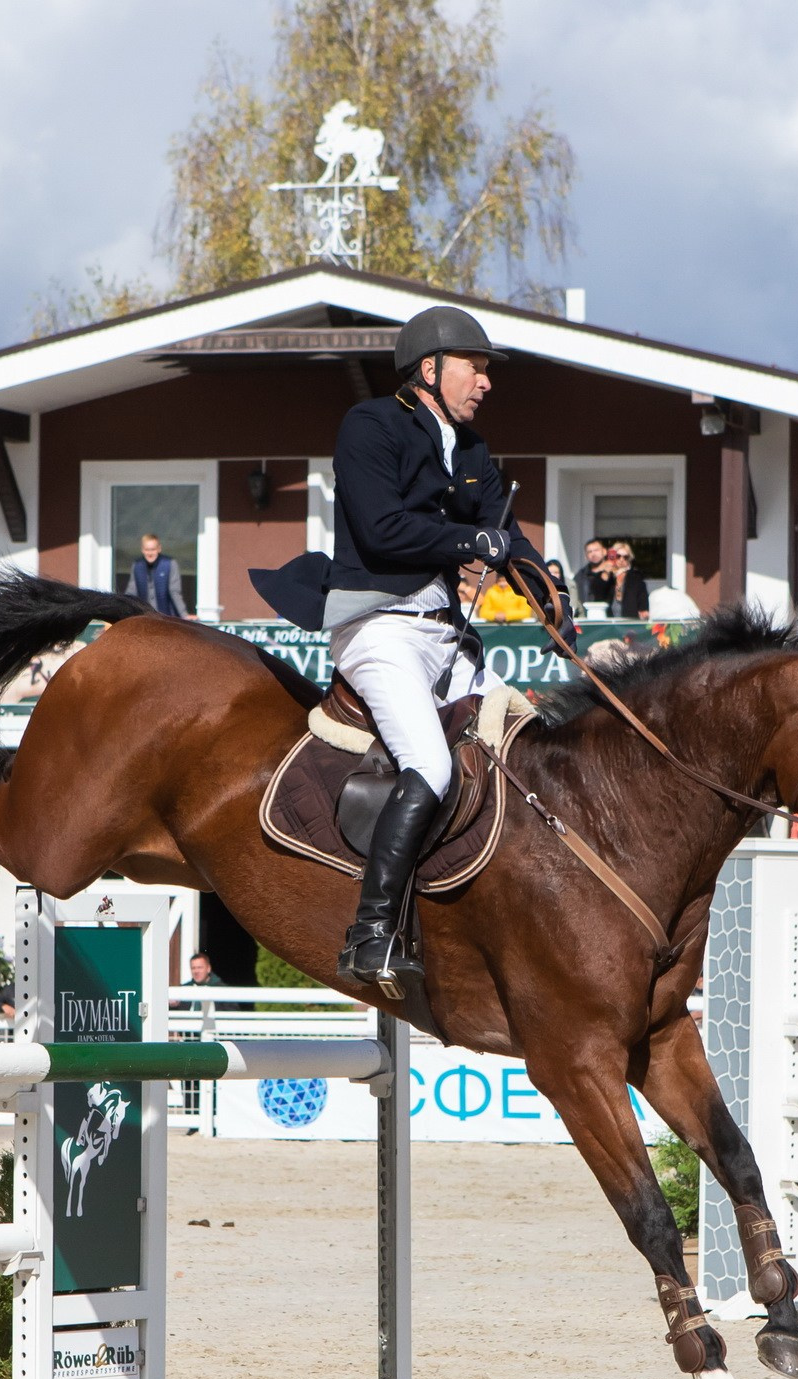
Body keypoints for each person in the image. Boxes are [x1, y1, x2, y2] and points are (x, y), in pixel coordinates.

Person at [248, 304, 547, 997]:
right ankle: (372, 930)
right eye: (476, 367)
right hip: (379, 625)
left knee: (514, 749)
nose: (487, 382)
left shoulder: (472, 452)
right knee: (434, 765)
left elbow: (508, 532)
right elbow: (383, 531)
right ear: (431, 369)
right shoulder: (371, 427)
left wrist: (543, 582)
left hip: (444, 633)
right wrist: (474, 544)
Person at [577, 539, 650, 620]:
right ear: (613, 557)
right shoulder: (606, 575)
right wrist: (606, 572)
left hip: (629, 619)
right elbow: (598, 594)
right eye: (618, 556)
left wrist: (644, 609)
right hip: (609, 620)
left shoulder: (635, 577)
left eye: (625, 557)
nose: (622, 559)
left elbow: (642, 596)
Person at [130, 533, 185, 618]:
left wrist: (184, 615)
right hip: (144, 618)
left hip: (167, 618)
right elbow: (131, 592)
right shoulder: (137, 565)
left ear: (159, 548)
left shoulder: (169, 564)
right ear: (142, 550)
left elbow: (175, 592)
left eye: (153, 549)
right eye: (147, 550)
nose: (150, 553)